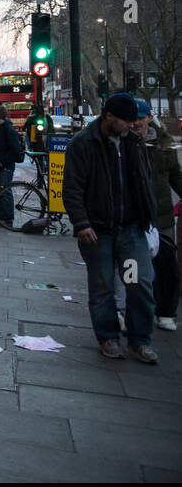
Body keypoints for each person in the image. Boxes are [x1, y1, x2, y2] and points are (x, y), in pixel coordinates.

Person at [62, 93, 158, 363]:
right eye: (126, 121)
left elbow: (143, 180)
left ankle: (140, 340)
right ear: (108, 117)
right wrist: (81, 223)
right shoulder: (83, 144)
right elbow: (72, 188)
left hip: (130, 229)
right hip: (98, 231)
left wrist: (146, 214)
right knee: (102, 287)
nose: (131, 125)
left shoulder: (133, 144)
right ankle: (108, 337)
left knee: (137, 282)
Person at [133, 101, 182, 331]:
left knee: (167, 267)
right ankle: (135, 310)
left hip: (160, 217)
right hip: (132, 218)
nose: (136, 122)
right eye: (132, 118)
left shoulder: (163, 147)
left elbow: (175, 177)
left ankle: (166, 312)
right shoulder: (122, 144)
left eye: (140, 117)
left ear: (149, 118)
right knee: (133, 269)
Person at [0, 105, 26, 228]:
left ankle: (8, 219)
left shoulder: (9, 130)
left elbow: (15, 150)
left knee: (5, 192)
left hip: (5, 166)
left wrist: (2, 162)